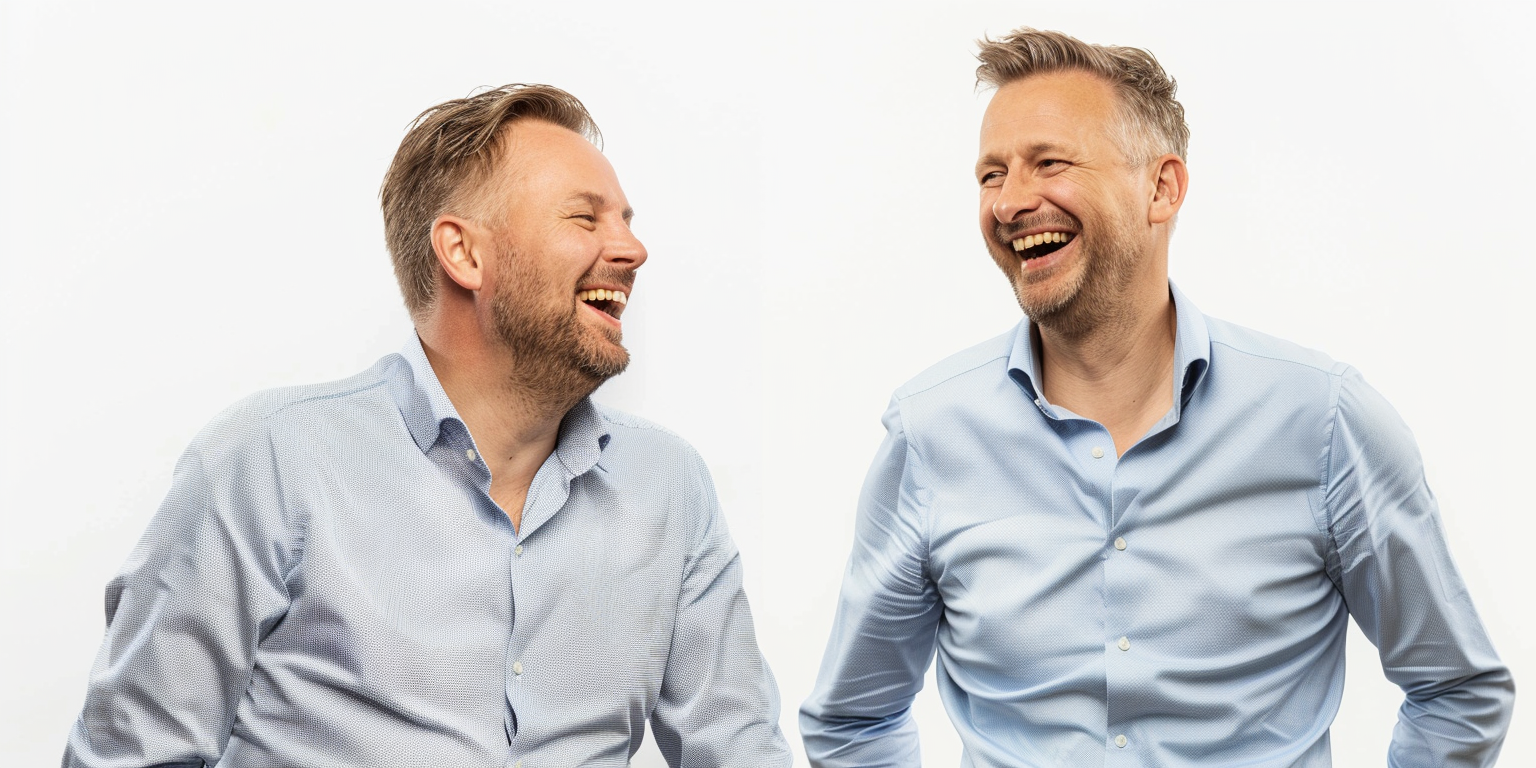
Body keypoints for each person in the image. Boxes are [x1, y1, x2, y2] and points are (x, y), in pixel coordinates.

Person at [799, 28, 1514, 768]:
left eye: (1050, 163)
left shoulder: (1325, 424)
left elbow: (1456, 689)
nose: (1011, 202)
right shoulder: (929, 434)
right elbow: (855, 720)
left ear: (1162, 188)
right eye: (991, 174)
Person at [64, 84, 791, 767]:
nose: (632, 250)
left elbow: (740, 750)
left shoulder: (669, 486)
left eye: (627, 221)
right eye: (584, 216)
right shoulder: (269, 462)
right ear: (464, 253)